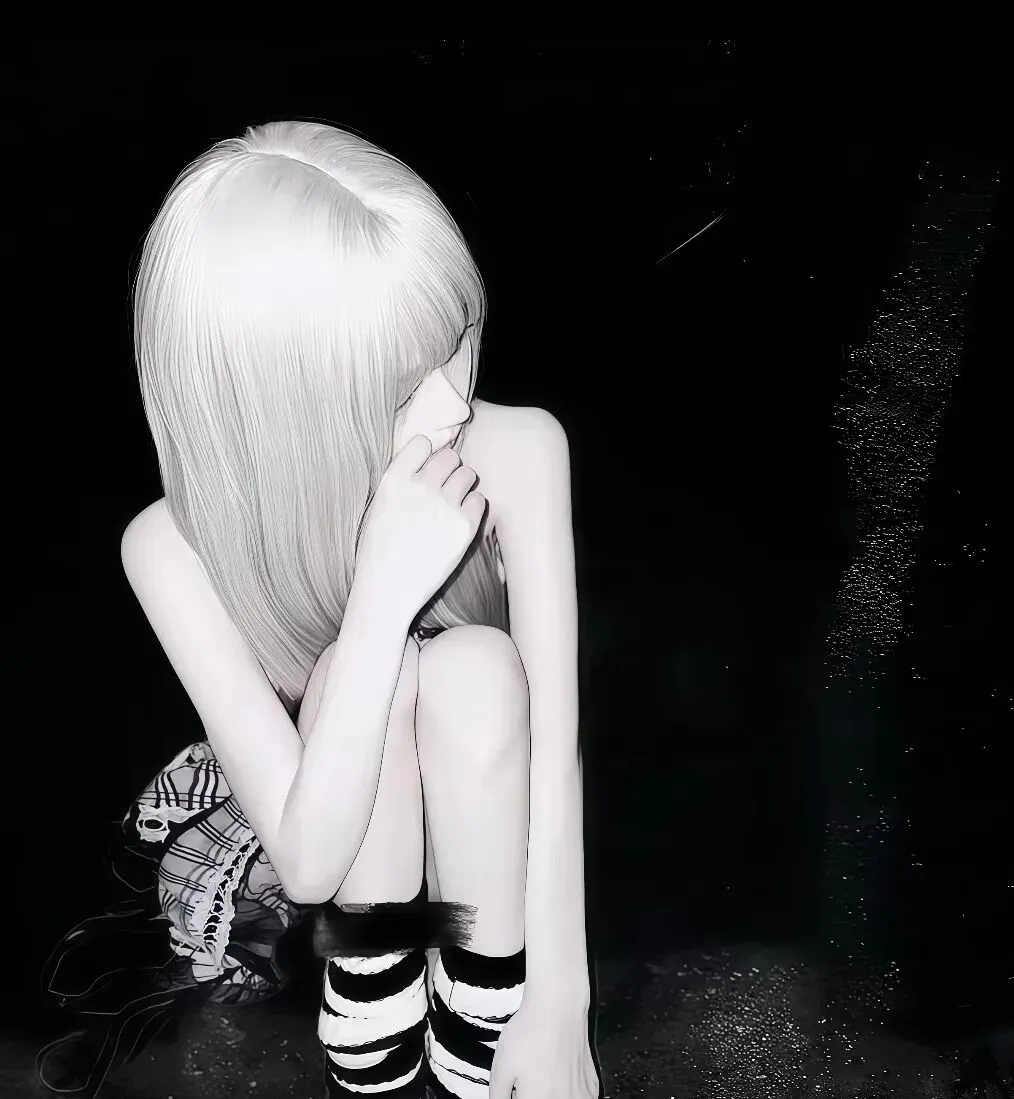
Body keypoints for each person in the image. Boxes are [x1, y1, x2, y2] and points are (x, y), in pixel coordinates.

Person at [39, 120, 598, 1099]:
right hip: (331, 858)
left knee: (474, 668)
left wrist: (561, 1002)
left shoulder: (518, 450)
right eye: (401, 386)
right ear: (278, 407)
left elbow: (555, 752)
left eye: (459, 341)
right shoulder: (170, 545)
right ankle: (374, 998)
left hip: (491, 851)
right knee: (356, 671)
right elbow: (305, 860)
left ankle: (485, 997)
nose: (452, 404)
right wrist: (382, 592)